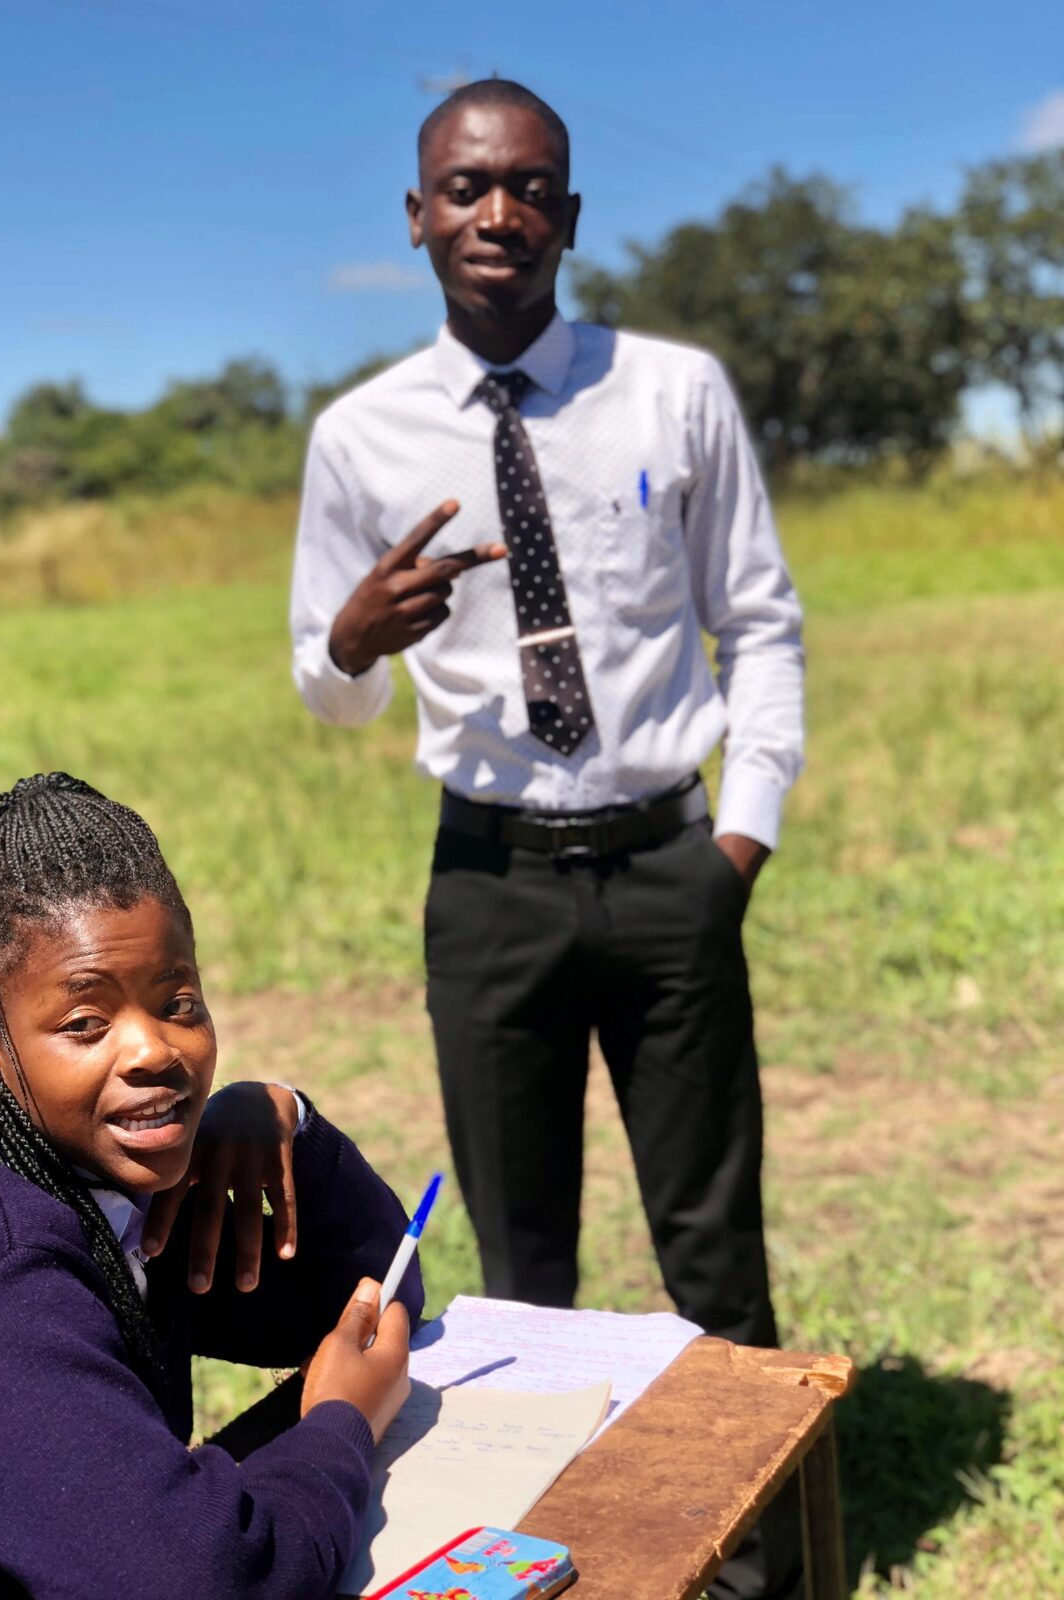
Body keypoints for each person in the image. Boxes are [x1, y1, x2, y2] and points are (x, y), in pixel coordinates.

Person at [290, 79, 805, 1600]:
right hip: (490, 886)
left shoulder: (673, 395)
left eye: (526, 189)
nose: (495, 215)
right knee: (524, 1273)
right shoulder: (361, 435)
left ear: (568, 216)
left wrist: (740, 842)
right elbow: (326, 693)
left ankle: (759, 1563)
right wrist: (354, 639)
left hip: (665, 867)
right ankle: (571, 1561)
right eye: (464, 189)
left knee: (714, 1248)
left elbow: (758, 620)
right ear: (417, 217)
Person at [0, 771, 419, 1600]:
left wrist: (282, 1124)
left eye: (179, 1002)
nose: (153, 1049)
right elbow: (212, 1583)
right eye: (86, 1024)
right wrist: (342, 1426)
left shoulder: (110, 1189)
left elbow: (374, 1301)